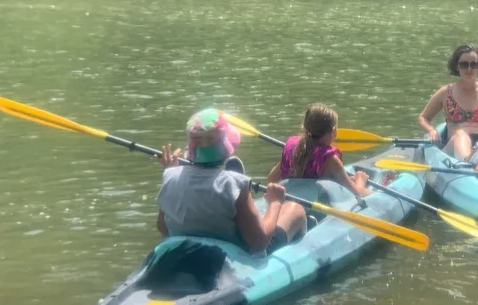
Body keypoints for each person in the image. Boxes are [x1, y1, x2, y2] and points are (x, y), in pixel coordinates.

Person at [156, 108, 307, 255]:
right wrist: (275, 202)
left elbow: (163, 228)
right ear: (225, 149)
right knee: (295, 209)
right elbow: (259, 242)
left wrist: (172, 171)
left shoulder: (169, 175)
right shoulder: (234, 184)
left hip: (188, 251)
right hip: (237, 255)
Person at [417, 43, 478, 160]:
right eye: (464, 64)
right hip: (454, 146)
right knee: (461, 134)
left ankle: (477, 162)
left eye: (473, 64)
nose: (469, 69)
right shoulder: (445, 93)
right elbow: (423, 118)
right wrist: (432, 130)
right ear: (457, 67)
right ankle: (467, 166)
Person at [267, 103, 371, 197]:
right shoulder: (330, 159)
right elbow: (357, 193)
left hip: (291, 196)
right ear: (333, 131)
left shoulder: (294, 149)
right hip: (315, 206)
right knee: (369, 193)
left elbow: (272, 178)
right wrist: (360, 179)